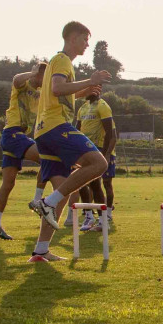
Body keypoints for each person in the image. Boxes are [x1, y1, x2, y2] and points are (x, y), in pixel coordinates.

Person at [27, 21, 112, 243]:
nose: (87, 44)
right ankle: (46, 202)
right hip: (56, 126)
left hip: (44, 131)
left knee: (63, 192)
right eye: (84, 39)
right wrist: (89, 80)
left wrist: (85, 90)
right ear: (72, 38)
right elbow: (58, 88)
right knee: (99, 164)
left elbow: (61, 93)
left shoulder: (59, 61)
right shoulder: (63, 60)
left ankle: (41, 249)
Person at [0, 62, 45, 240]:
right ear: (37, 74)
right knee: (48, 158)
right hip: (13, 134)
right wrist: (32, 72)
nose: (47, 79)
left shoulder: (42, 93)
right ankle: (37, 200)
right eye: (45, 75)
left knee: (8, 183)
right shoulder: (23, 85)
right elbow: (16, 79)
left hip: (14, 137)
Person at [72, 85, 118, 231]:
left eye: (92, 89)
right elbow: (76, 130)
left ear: (98, 90)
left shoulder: (103, 106)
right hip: (82, 149)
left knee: (98, 184)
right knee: (80, 182)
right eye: (87, 89)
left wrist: (105, 154)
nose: (89, 91)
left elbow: (111, 134)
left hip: (96, 149)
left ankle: (103, 217)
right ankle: (88, 215)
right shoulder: (82, 108)